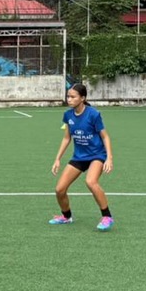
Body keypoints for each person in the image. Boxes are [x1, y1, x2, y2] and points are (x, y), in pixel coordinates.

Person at [50, 83, 115, 231]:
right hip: (79, 157)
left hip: (96, 155)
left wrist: (109, 158)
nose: (69, 99)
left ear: (83, 98)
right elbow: (67, 138)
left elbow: (105, 137)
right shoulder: (68, 115)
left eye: (73, 97)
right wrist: (57, 159)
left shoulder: (93, 114)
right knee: (60, 189)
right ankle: (66, 217)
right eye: (68, 96)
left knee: (91, 182)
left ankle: (107, 217)